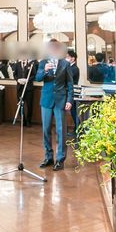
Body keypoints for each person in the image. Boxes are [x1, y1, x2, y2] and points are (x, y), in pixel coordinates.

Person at [35, 39, 73, 171]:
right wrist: (45, 70)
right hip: (46, 100)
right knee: (46, 129)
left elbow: (70, 84)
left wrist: (69, 100)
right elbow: (38, 78)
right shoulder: (43, 63)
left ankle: (60, 159)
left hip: (60, 100)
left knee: (61, 131)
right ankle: (48, 157)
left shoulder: (65, 64)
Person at [11, 58, 38, 126]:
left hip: (28, 88)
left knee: (29, 105)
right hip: (20, 88)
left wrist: (27, 80)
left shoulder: (31, 64)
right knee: (20, 105)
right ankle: (23, 121)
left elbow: (34, 75)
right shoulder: (17, 65)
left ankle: (29, 121)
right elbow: (14, 75)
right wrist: (18, 80)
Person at [65, 49, 81, 135]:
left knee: (74, 112)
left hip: (72, 92)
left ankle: (78, 129)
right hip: (68, 92)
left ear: (73, 58)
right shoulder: (70, 67)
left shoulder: (74, 68)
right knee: (72, 112)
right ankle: (77, 128)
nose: (66, 58)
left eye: (68, 57)